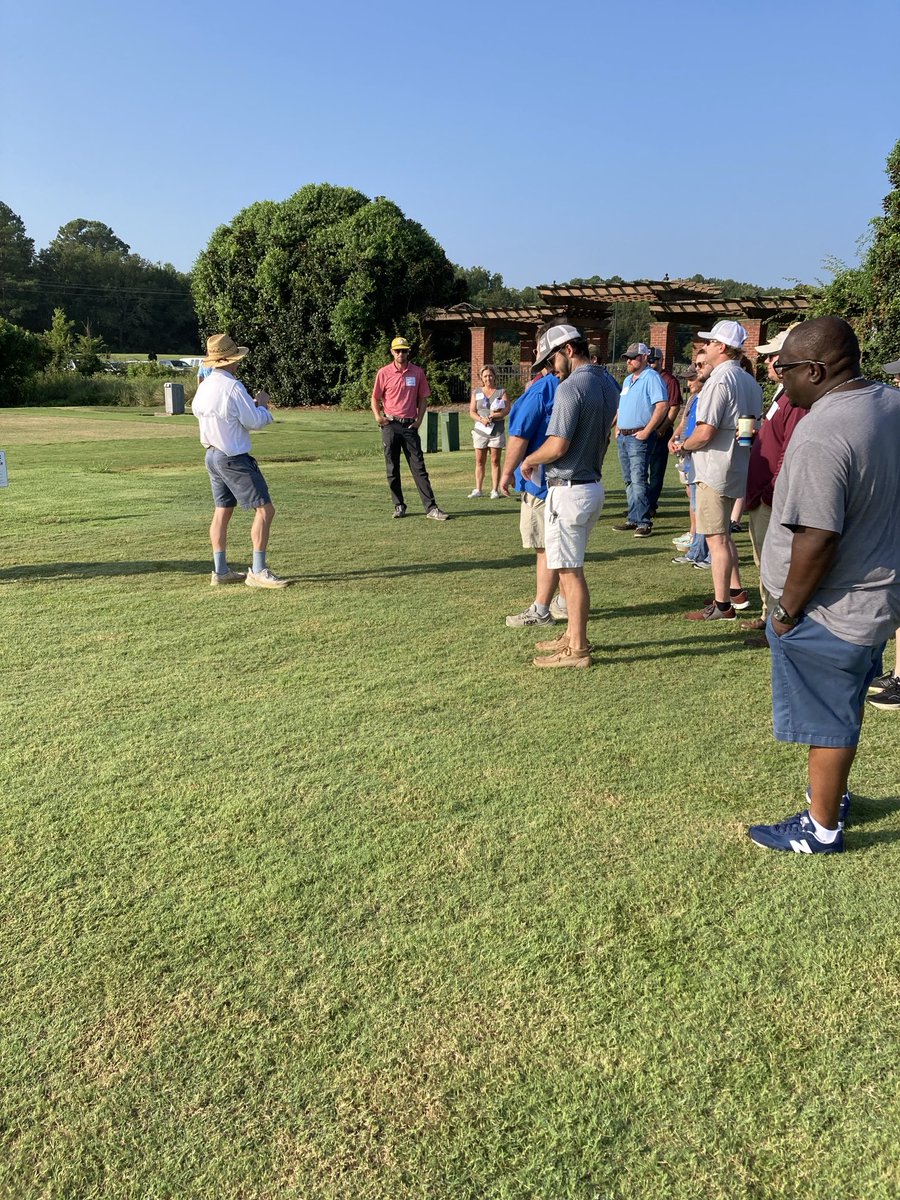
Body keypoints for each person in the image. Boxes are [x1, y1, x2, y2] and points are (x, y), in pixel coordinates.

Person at [748, 317, 900, 853]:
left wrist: (787, 611)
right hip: (878, 592)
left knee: (829, 722)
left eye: (784, 370)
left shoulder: (822, 431)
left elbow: (817, 537)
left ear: (815, 369)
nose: (779, 381)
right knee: (846, 704)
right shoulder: (886, 402)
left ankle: (821, 829)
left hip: (835, 606)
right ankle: (831, 799)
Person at [519, 324, 618, 667]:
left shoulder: (569, 388)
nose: (550, 367)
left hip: (569, 488)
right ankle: (571, 636)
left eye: (552, 359)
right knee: (568, 568)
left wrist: (529, 459)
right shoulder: (607, 381)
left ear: (568, 350)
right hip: (591, 485)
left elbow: (558, 444)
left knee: (570, 572)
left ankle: (577, 649)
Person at [675, 320, 762, 620]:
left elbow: (705, 432)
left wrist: (683, 445)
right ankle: (735, 591)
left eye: (710, 342)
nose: (706, 347)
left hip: (714, 467)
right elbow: (751, 428)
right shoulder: (749, 380)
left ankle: (722, 605)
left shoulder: (718, 381)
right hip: (737, 464)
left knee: (716, 538)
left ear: (722, 347)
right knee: (724, 535)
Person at [191, 333, 287, 588]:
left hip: (211, 454)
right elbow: (254, 421)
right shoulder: (233, 386)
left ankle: (220, 570)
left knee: (222, 511)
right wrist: (263, 406)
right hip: (233, 456)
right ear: (230, 360)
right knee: (265, 509)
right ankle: (258, 570)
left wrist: (249, 407)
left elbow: (204, 412)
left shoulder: (204, 387)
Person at [741, 325, 806, 641]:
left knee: (775, 563)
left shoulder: (796, 400)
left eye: (774, 358)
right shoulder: (783, 395)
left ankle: (777, 625)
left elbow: (790, 450)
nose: (769, 363)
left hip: (770, 498)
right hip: (763, 495)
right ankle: (769, 616)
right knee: (764, 560)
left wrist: (769, 493)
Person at [499, 361, 565, 628]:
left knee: (545, 547)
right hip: (577, 480)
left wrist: (507, 473)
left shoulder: (543, 389)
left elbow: (519, 435)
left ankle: (541, 608)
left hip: (541, 482)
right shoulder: (592, 384)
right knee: (563, 546)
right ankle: (563, 601)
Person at [371, 336, 449, 521]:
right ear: (392, 352)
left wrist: (420, 419)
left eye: (404, 350)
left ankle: (431, 508)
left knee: (419, 467)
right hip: (390, 424)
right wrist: (377, 417)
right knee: (392, 468)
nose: (401, 354)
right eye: (398, 351)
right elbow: (375, 397)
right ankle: (399, 505)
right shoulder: (383, 373)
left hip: (409, 425)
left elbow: (423, 398)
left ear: (408, 352)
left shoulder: (417, 372)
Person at [611, 342, 668, 537]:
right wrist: (617, 426)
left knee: (638, 479)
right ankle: (634, 518)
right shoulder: (628, 380)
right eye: (627, 357)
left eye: (633, 357)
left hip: (638, 436)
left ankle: (644, 521)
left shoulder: (651, 377)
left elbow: (662, 406)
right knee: (629, 480)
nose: (629, 360)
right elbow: (622, 405)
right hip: (624, 436)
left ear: (644, 357)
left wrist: (647, 431)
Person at [669, 365, 711, 569]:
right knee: (693, 503)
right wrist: (676, 437)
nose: (689, 383)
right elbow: (686, 422)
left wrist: (685, 444)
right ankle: (696, 550)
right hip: (688, 455)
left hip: (700, 456)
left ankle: (703, 553)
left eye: (692, 378)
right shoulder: (694, 398)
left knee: (701, 506)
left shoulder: (708, 398)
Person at [647, 347, 683, 516]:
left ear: (661, 361)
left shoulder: (669, 380)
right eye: (648, 360)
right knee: (640, 470)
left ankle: (650, 505)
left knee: (656, 470)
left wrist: (662, 428)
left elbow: (674, 407)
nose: (650, 363)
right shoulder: (645, 378)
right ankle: (640, 504)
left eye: (653, 360)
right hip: (644, 431)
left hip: (659, 432)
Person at [468, 365, 508, 498]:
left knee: (495, 461)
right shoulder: (476, 392)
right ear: (481, 377)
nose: (488, 378)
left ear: (494, 376)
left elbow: (507, 409)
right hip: (480, 431)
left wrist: (494, 416)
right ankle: (478, 489)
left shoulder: (501, 391)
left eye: (490, 375)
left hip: (496, 431)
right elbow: (472, 412)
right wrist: (481, 419)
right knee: (479, 461)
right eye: (485, 376)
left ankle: (494, 490)